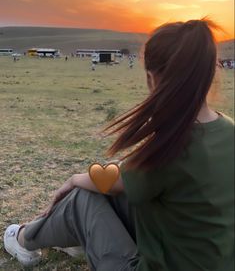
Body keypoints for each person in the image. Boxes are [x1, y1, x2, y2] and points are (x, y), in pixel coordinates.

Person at [3, 19, 234, 271]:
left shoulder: (171, 149)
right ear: (212, 73)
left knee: (83, 198)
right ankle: (69, 236)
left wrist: (74, 178)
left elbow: (110, 181)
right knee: (119, 196)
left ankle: (23, 239)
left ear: (152, 80)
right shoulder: (228, 130)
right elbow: (125, 181)